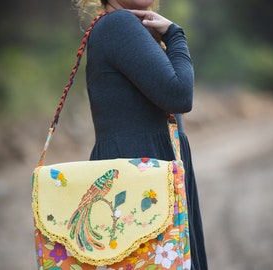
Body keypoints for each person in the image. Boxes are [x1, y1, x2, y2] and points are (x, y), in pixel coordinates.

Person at [76, 0, 208, 269]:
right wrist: (175, 35)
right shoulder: (119, 25)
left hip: (140, 166)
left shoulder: (117, 26)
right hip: (142, 172)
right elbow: (180, 95)